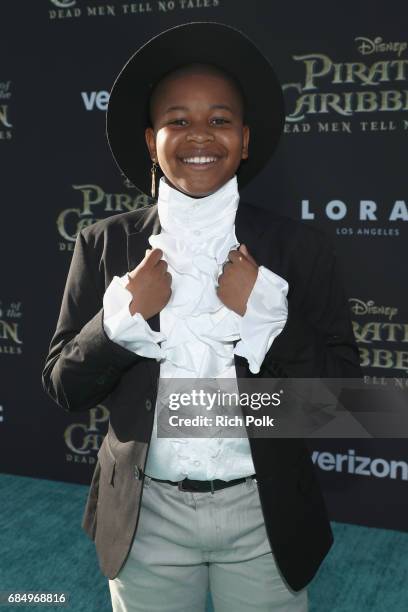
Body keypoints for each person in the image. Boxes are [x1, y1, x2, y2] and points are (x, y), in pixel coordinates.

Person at [42, 22, 361, 612]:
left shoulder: (300, 247)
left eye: (219, 120)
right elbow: (65, 387)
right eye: (177, 120)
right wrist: (121, 320)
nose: (199, 136)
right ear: (149, 139)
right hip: (145, 518)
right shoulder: (103, 245)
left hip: (263, 516)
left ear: (244, 139)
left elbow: (343, 407)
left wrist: (268, 315)